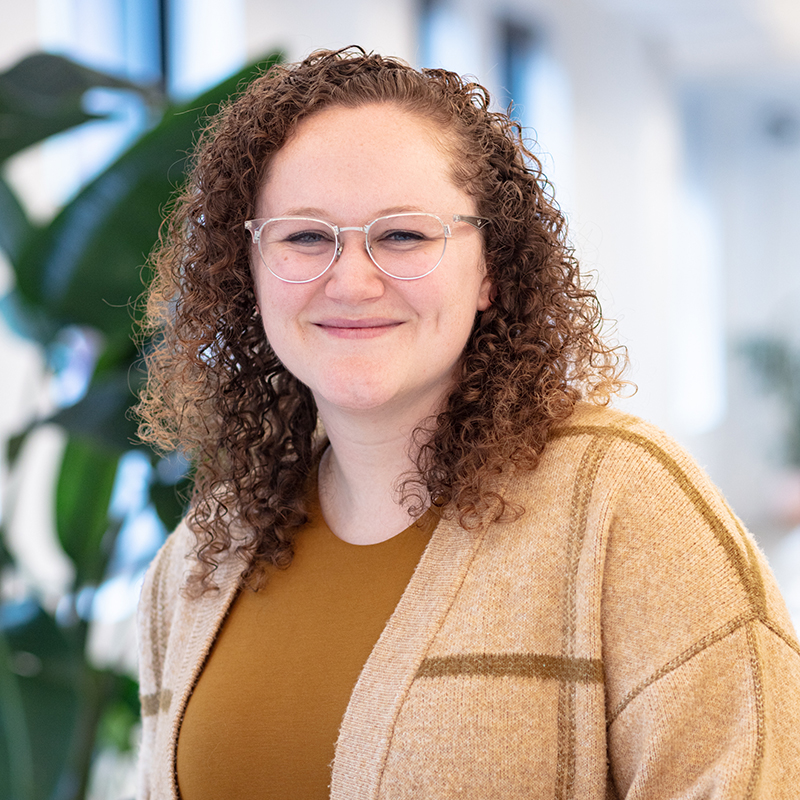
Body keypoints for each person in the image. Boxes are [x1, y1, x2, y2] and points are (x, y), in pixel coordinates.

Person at [135, 47, 800, 799]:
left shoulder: (626, 508)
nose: (351, 280)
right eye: (305, 237)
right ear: (246, 270)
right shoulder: (202, 558)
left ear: (491, 269)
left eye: (404, 236)